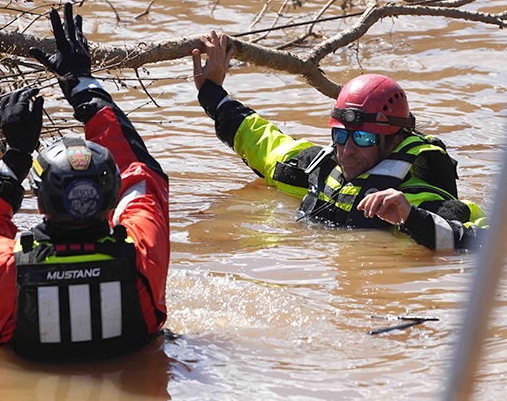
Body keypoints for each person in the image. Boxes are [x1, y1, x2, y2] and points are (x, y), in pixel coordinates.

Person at [0, 3, 170, 361]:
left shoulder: (2, 272)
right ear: (112, 201)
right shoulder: (142, 257)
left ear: (39, 201)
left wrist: (16, 156)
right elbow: (141, 172)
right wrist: (84, 86)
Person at [190, 30, 486, 252]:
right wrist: (211, 92)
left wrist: (411, 218)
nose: (347, 149)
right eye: (340, 135)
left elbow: (489, 241)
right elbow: (262, 142)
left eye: (363, 137)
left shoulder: (421, 196)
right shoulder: (321, 169)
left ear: (394, 141)